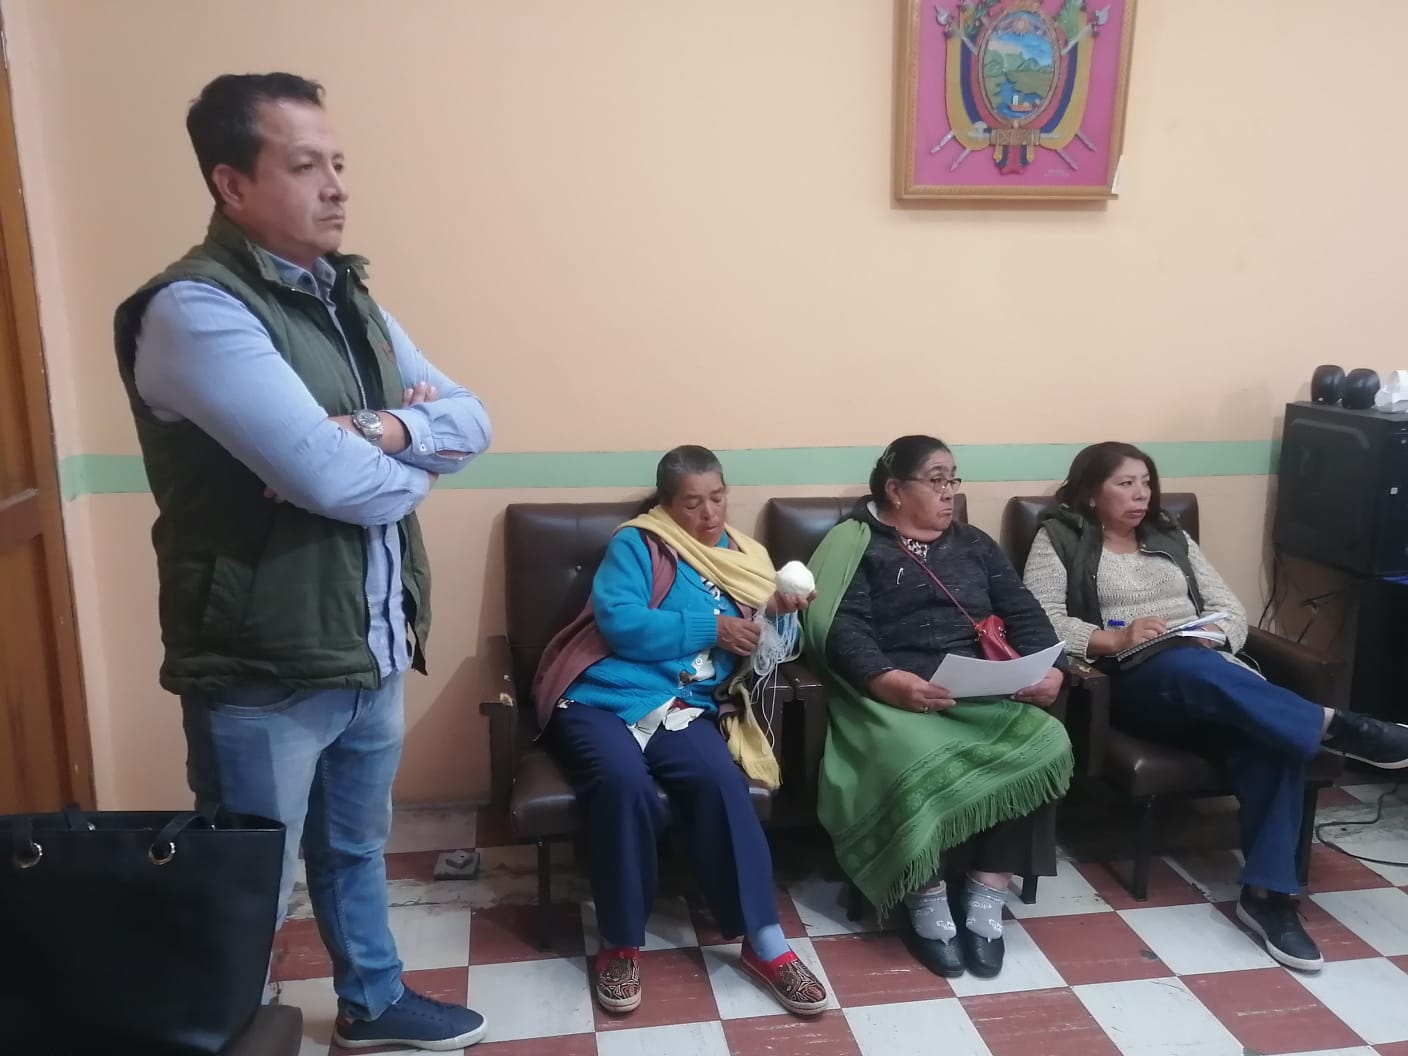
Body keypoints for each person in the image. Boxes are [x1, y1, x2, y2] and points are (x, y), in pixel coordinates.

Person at [112, 74, 492, 1050]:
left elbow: (472, 418)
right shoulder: (195, 310)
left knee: (355, 847)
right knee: (248, 880)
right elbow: (336, 483)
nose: (336, 186)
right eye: (305, 165)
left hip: (369, 637)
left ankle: (372, 1003)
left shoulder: (348, 299)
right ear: (231, 183)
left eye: (339, 163)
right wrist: (405, 461)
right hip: (262, 661)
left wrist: (373, 431)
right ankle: (218, 1032)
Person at [1023, 441, 1408, 972]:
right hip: (1131, 683)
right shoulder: (1060, 538)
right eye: (1125, 484)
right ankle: (1338, 727)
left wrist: (1214, 636)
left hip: (1208, 672)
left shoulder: (1169, 534)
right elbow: (1039, 618)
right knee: (1186, 668)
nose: (1141, 495)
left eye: (1146, 482)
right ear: (1091, 494)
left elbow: (1228, 607)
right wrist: (1113, 638)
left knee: (1268, 740)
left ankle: (1268, 898)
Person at [532, 445, 829, 1017]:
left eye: (717, 498)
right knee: (623, 784)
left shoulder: (748, 557)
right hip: (602, 696)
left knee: (721, 782)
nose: (709, 513)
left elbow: (765, 646)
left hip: (681, 704)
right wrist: (713, 627)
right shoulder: (639, 543)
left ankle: (765, 942)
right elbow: (619, 623)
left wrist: (780, 611)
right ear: (667, 504)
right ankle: (620, 943)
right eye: (692, 503)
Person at [804, 435, 1073, 980]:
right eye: (936, 480)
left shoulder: (974, 544)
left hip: (981, 689)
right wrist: (885, 680)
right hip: (897, 697)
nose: (949, 492)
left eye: (953, 479)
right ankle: (923, 897)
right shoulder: (857, 545)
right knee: (906, 756)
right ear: (895, 489)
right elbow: (840, 627)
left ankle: (986, 892)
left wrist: (1054, 670)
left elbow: (1023, 611)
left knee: (1046, 742)